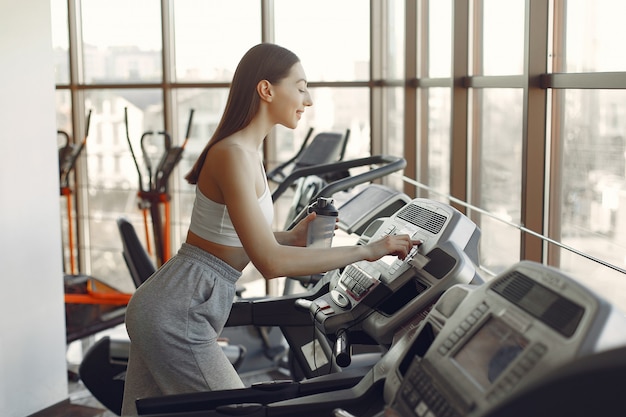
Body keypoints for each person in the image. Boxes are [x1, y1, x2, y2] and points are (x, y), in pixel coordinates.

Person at [120, 43, 418, 416]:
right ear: (266, 90)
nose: (306, 100)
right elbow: (270, 263)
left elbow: (230, 234)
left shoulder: (246, 152)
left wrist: (289, 237)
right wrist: (369, 250)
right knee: (239, 411)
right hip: (179, 310)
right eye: (300, 86)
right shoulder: (231, 154)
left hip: (175, 302)